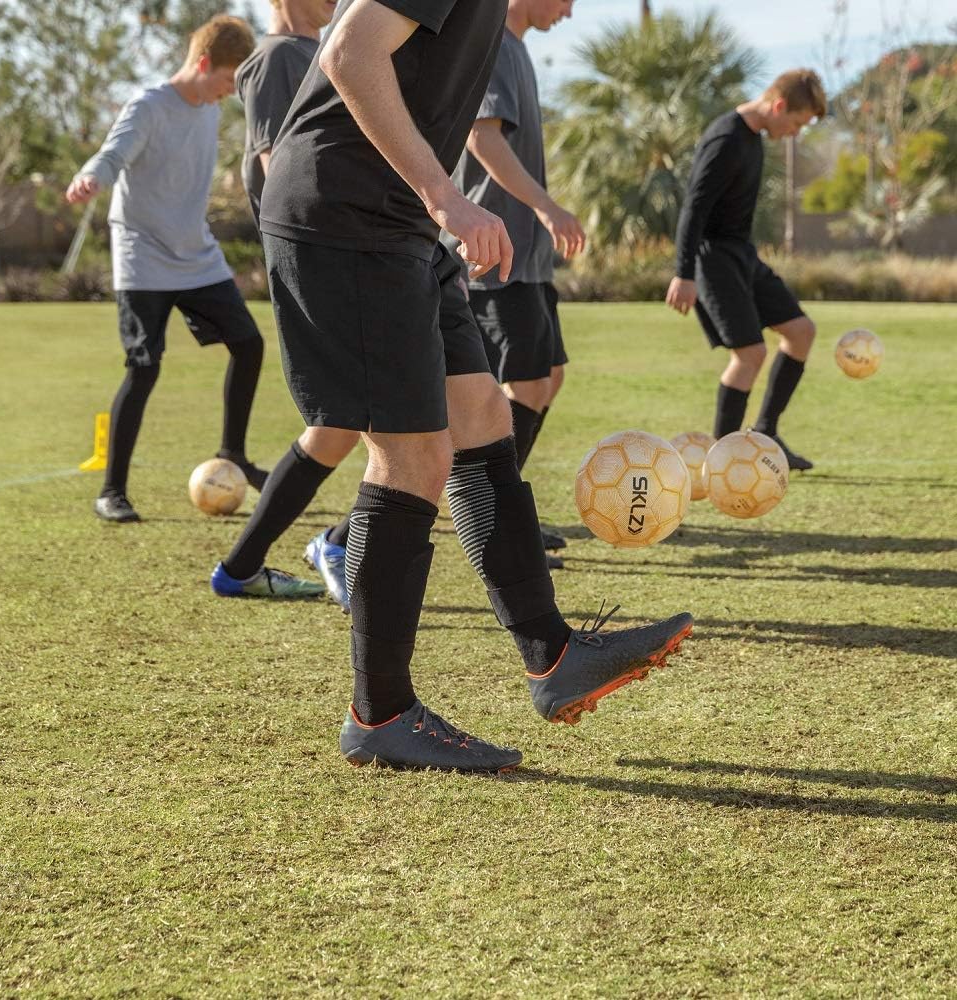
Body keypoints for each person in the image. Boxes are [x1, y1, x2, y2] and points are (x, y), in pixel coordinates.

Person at [259, 0, 693, 773]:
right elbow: (351, 54)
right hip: (345, 217)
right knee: (411, 455)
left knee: (483, 414)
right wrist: (446, 196)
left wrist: (433, 206)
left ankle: (554, 657)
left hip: (401, 225)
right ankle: (380, 712)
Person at [67, 16, 270, 524]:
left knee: (249, 344)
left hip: (195, 254)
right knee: (144, 367)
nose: (229, 93)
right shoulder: (150, 104)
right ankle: (112, 491)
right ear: (203, 64)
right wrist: (92, 177)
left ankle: (234, 455)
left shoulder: (206, 109)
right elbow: (112, 154)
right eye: (227, 80)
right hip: (143, 255)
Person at [209, 0, 353, 606]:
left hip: (351, 257)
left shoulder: (318, 52)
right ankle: (337, 543)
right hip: (323, 263)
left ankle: (248, 565)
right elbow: (283, 174)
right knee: (386, 419)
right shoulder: (275, 58)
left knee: (346, 423)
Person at [446, 0, 585, 568]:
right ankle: (492, 520)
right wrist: (549, 208)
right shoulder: (495, 42)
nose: (571, 11)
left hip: (525, 256)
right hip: (494, 252)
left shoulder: (517, 48)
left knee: (545, 377)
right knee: (524, 384)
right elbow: (484, 139)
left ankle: (500, 511)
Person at [665, 69, 828, 470]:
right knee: (750, 353)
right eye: (796, 123)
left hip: (742, 255)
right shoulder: (726, 139)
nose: (795, 133)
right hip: (713, 259)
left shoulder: (754, 138)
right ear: (778, 105)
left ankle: (767, 432)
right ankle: (723, 459)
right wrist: (684, 273)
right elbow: (694, 208)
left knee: (800, 332)